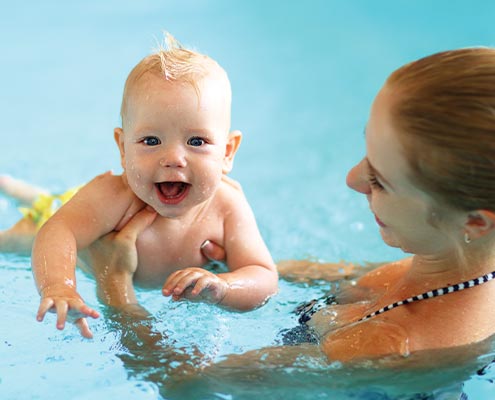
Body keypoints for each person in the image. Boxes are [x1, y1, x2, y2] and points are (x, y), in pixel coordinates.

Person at [94, 47, 495, 365]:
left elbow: (187, 387)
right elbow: (344, 280)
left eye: (381, 180)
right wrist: (229, 270)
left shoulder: (389, 346)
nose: (352, 179)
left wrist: (114, 287)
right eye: (366, 150)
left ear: (475, 222)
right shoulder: (449, 263)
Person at [25, 33, 278, 339]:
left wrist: (225, 287)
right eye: (151, 141)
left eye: (196, 141)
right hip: (68, 210)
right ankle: (19, 192)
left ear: (227, 152)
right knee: (21, 236)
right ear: (122, 148)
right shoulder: (112, 197)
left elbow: (263, 275)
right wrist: (58, 285)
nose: (173, 158)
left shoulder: (227, 205)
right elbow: (57, 231)